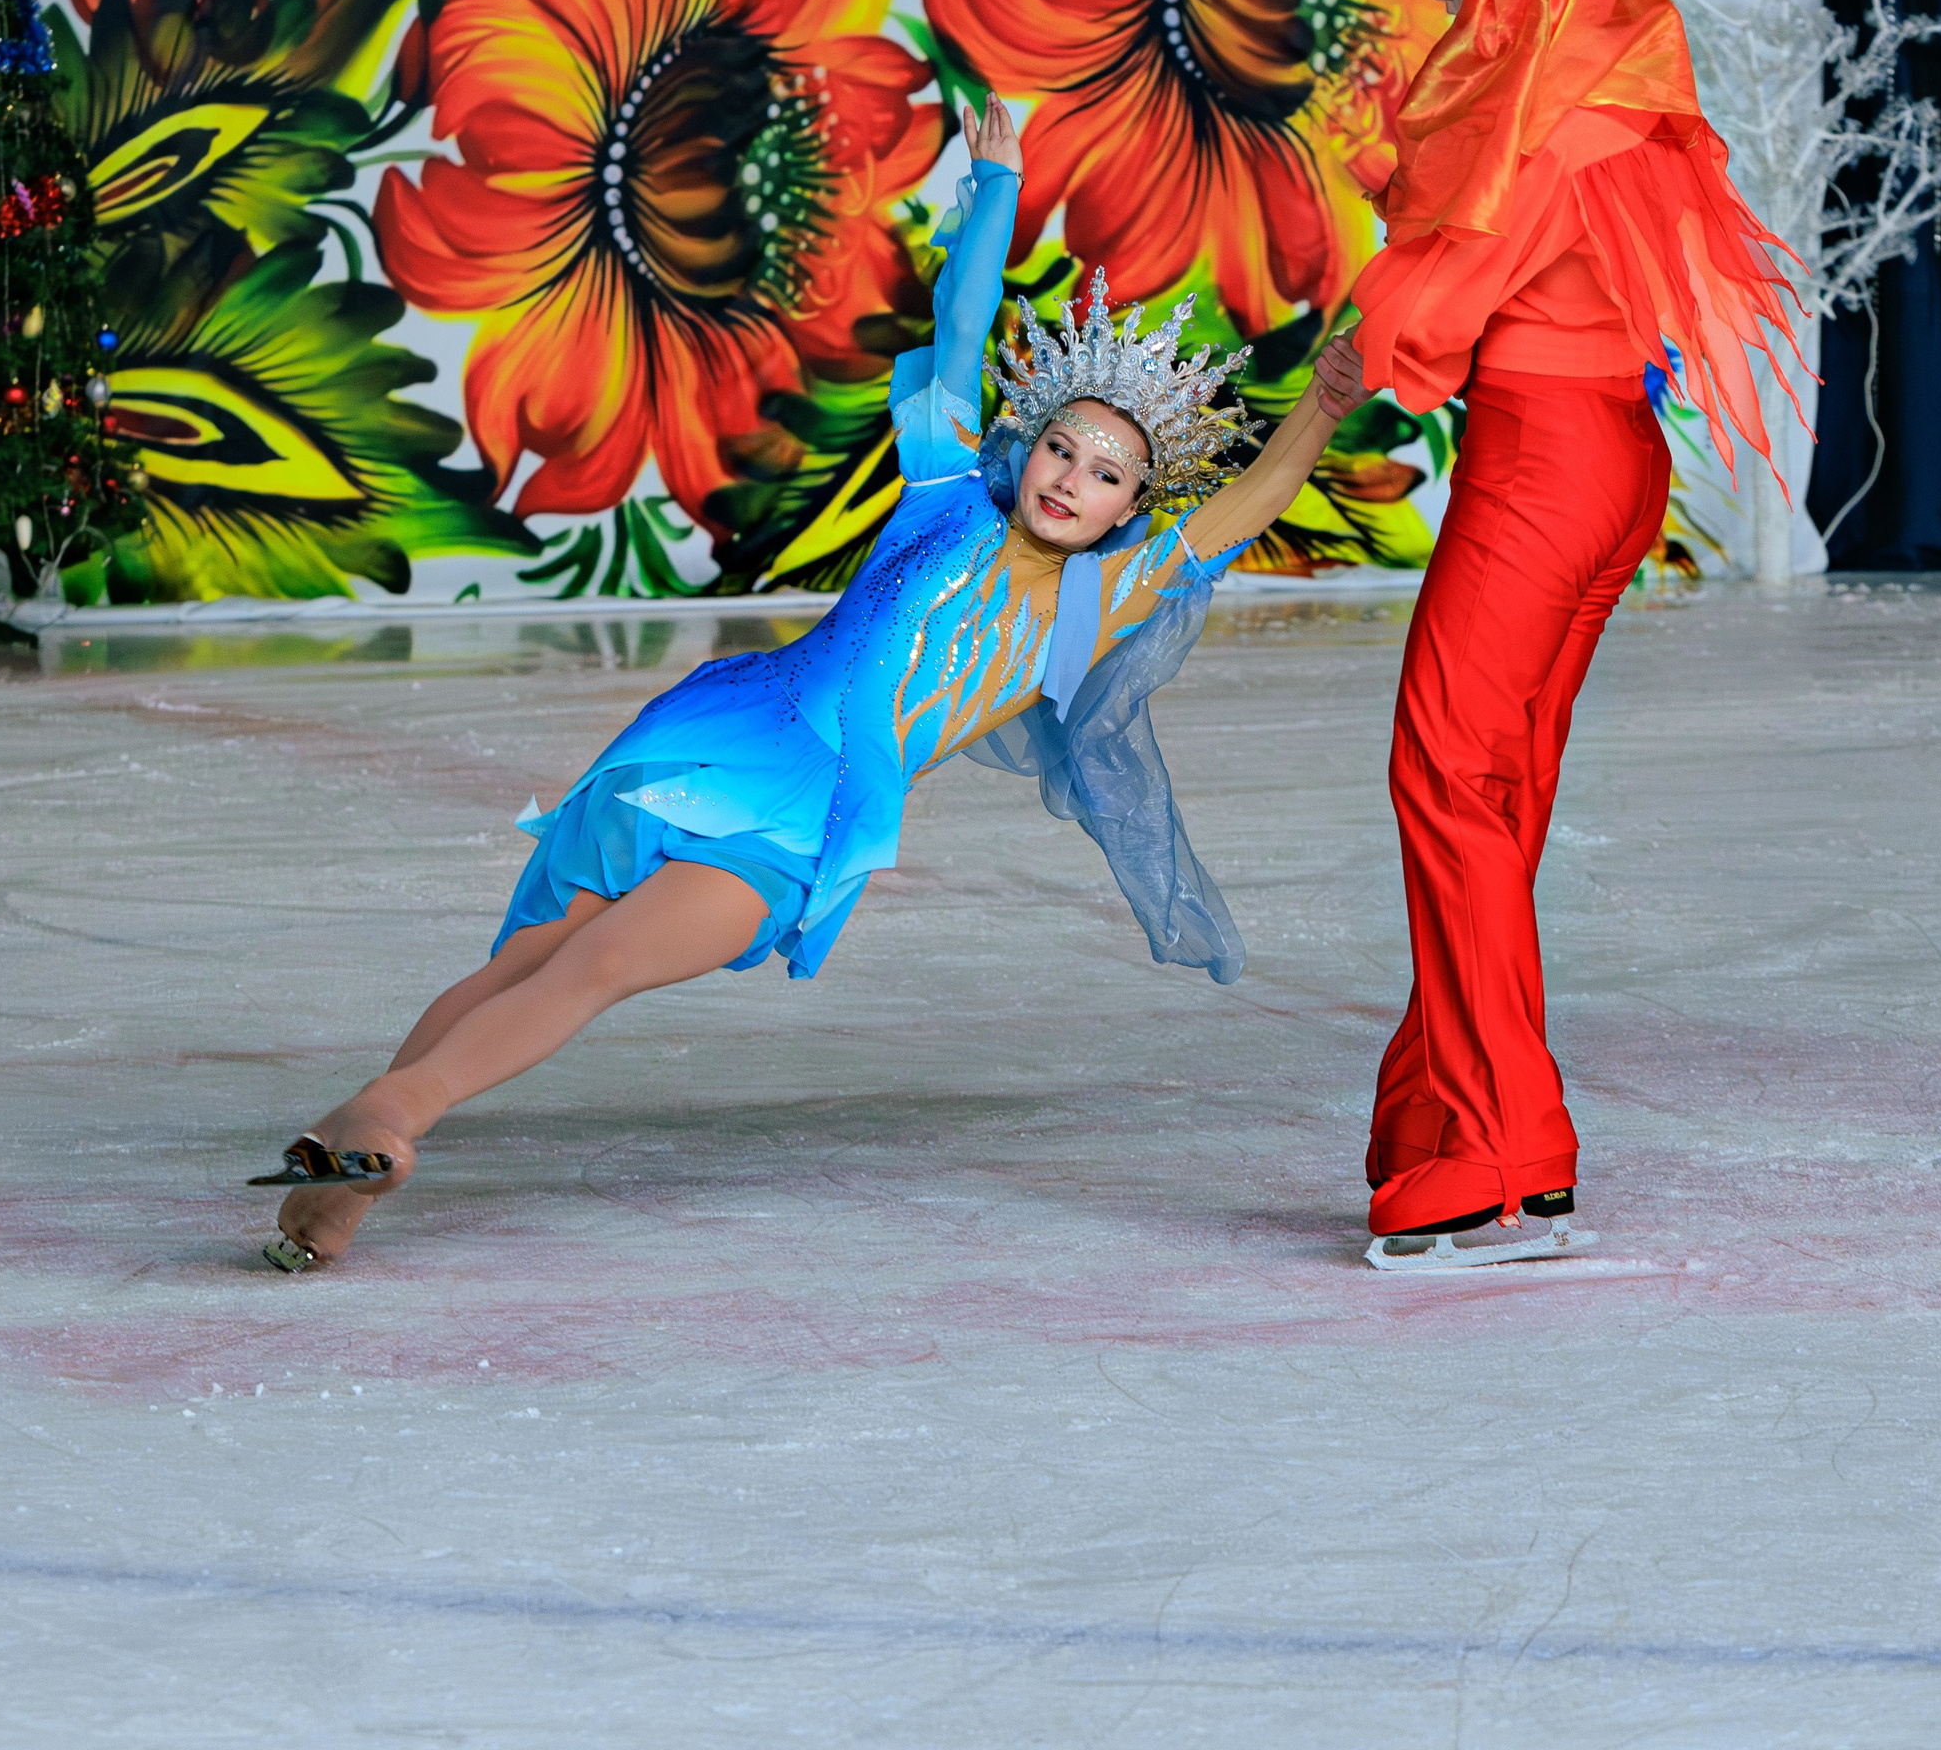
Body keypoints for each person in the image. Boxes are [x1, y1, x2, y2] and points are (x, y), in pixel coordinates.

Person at [251, 95, 1374, 1271]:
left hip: (811, 811)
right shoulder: (946, 491)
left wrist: (1320, 409)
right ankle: (365, 1142)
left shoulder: (1103, 600)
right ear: (1026, 440)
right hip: (719, 734)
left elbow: (1239, 511)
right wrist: (994, 192)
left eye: (1105, 475)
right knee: (533, 956)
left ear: (1126, 512)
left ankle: (373, 1129)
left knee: (600, 961)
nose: (1069, 478)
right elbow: (960, 322)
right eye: (1060, 445)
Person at [1352, 0, 1805, 1263]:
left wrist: (1338, 363)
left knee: (1442, 769)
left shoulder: (1540, 128)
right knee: (1497, 783)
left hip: (1543, 461)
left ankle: (1504, 1144)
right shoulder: (1610, 105)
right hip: (1613, 456)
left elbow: (1414, 329)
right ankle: (1456, 1117)